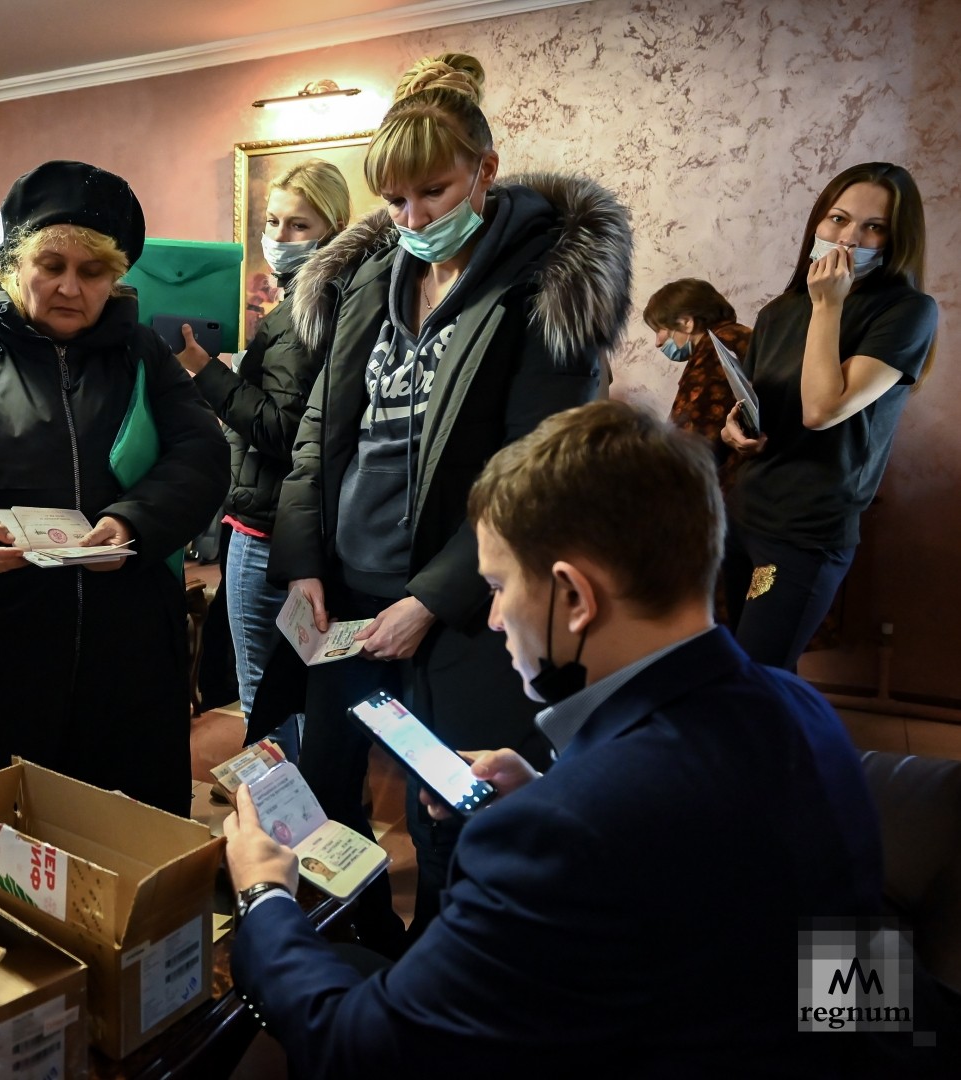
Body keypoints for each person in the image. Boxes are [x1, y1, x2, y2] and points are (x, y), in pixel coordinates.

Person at [225, 400, 883, 1074]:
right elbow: (848, 966)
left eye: (497, 586)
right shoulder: (802, 711)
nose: (492, 620)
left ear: (573, 596)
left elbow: (356, 1049)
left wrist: (265, 896)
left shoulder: (564, 831)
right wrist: (549, 792)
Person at [261, 52, 630, 945]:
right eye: (393, 201)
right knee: (325, 784)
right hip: (345, 591)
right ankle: (351, 950)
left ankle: (445, 964)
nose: (412, 219)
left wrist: (431, 597)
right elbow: (319, 435)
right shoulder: (369, 278)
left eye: (432, 192)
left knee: (448, 808)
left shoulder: (538, 286)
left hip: (464, 606)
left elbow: (532, 471)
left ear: (483, 173)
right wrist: (304, 565)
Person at [0, 159, 228, 816]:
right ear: (14, 262)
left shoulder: (143, 355)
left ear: (115, 277)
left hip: (128, 647)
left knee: (121, 834)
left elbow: (200, 454)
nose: (68, 287)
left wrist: (134, 522)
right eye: (50, 265)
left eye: (91, 272)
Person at [721, 162, 937, 672]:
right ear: (817, 222)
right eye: (838, 219)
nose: (848, 238)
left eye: (873, 227)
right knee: (736, 670)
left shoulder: (906, 311)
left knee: (759, 677)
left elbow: (822, 410)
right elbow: (764, 399)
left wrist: (828, 307)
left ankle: (786, 752)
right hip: (747, 510)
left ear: (893, 239)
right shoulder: (779, 310)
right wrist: (735, 427)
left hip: (807, 528)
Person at [177, 159, 351, 764]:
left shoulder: (306, 315)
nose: (278, 237)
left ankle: (283, 842)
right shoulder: (333, 300)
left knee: (266, 698)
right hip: (304, 527)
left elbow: (282, 430)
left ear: (334, 229)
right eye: (272, 221)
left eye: (298, 225)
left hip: (268, 530)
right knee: (303, 695)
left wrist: (206, 372)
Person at [643, 276, 750, 491]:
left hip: (728, 488)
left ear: (686, 323)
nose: (657, 342)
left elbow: (692, 432)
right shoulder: (738, 337)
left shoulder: (715, 348)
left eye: (659, 329)